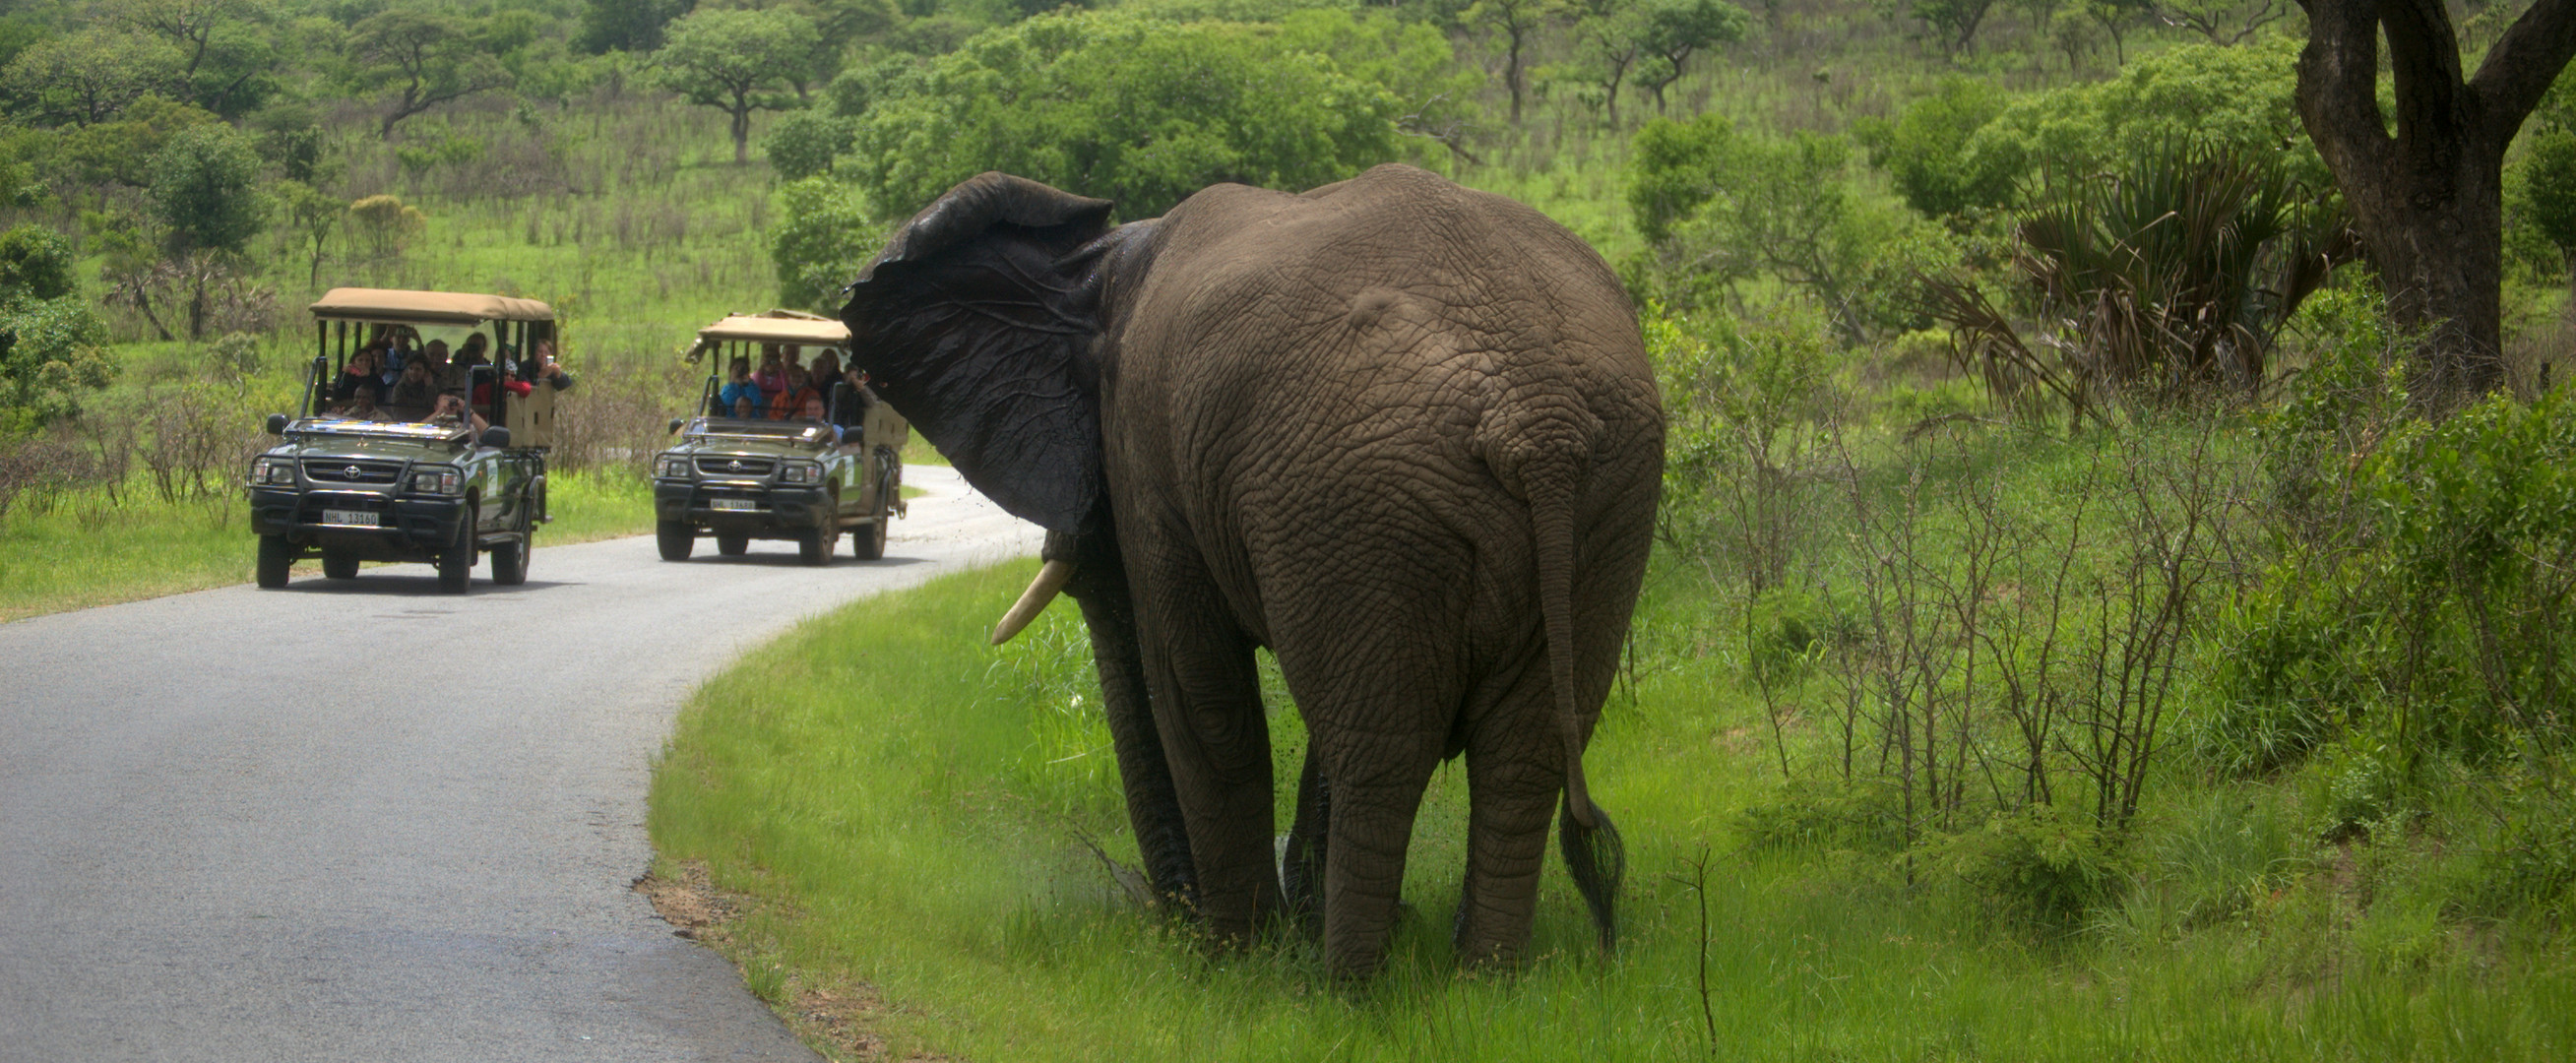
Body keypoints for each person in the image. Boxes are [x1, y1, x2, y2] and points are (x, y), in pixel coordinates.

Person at [424, 392, 488, 434]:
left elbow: (487, 433)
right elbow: (418, 429)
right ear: (436, 406)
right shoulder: (431, 426)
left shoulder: (464, 427)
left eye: (453, 399)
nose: (450, 401)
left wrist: (468, 411)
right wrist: (440, 411)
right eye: (446, 399)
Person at [329, 381, 395, 422]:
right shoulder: (346, 415)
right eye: (357, 397)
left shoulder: (384, 419)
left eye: (365, 398)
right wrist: (337, 416)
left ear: (373, 399)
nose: (360, 401)